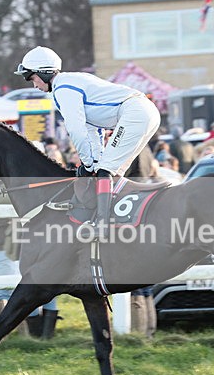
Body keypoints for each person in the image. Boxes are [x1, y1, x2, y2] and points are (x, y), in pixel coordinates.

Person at [14, 46, 160, 241]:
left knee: (105, 172)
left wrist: (89, 164)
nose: (34, 85)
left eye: (32, 78)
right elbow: (93, 130)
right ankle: (117, 216)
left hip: (135, 112)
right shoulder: (69, 82)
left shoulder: (63, 89)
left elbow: (76, 130)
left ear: (44, 73)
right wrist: (93, 161)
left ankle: (102, 223)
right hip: (142, 111)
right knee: (110, 172)